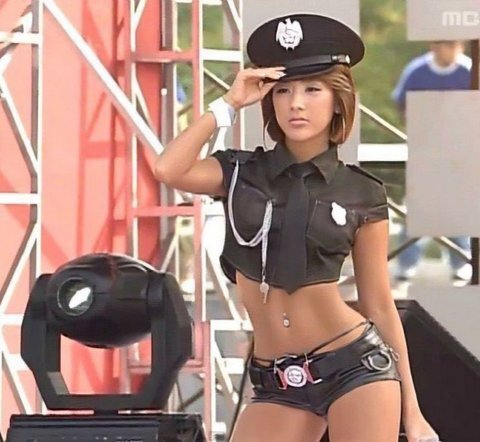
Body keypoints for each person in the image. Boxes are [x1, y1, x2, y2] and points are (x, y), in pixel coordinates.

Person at [155, 13, 439, 442]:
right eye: (283, 90)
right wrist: (228, 104)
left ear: (338, 99)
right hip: (277, 381)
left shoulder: (362, 192)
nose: (296, 104)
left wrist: (412, 414)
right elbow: (168, 169)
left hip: (354, 367)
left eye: (312, 89)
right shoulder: (239, 172)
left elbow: (379, 306)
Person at [392, 40, 472, 281]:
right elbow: (402, 105)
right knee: (418, 206)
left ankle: (461, 260)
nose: (448, 49)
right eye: (443, 44)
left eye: (453, 44)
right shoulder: (416, 71)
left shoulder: (469, 70)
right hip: (425, 150)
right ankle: (407, 262)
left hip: (461, 152)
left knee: (458, 206)